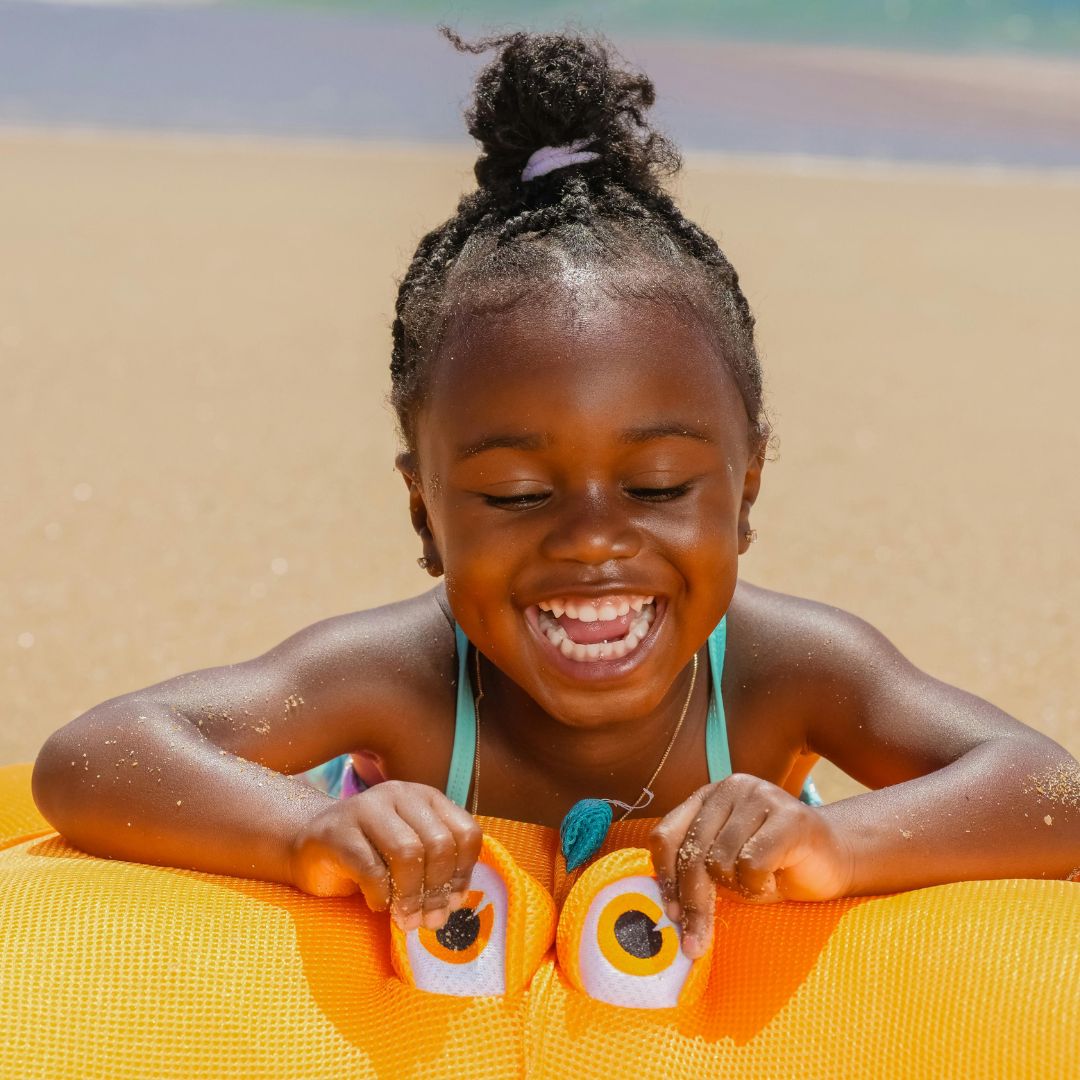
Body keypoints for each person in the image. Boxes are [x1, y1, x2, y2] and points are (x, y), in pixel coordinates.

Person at [32, 29, 1080, 962]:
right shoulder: (398, 679)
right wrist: (304, 833)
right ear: (423, 515)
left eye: (658, 483)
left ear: (748, 486)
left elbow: (1048, 790)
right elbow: (97, 754)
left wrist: (833, 842)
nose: (591, 540)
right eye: (516, 494)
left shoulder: (787, 673)